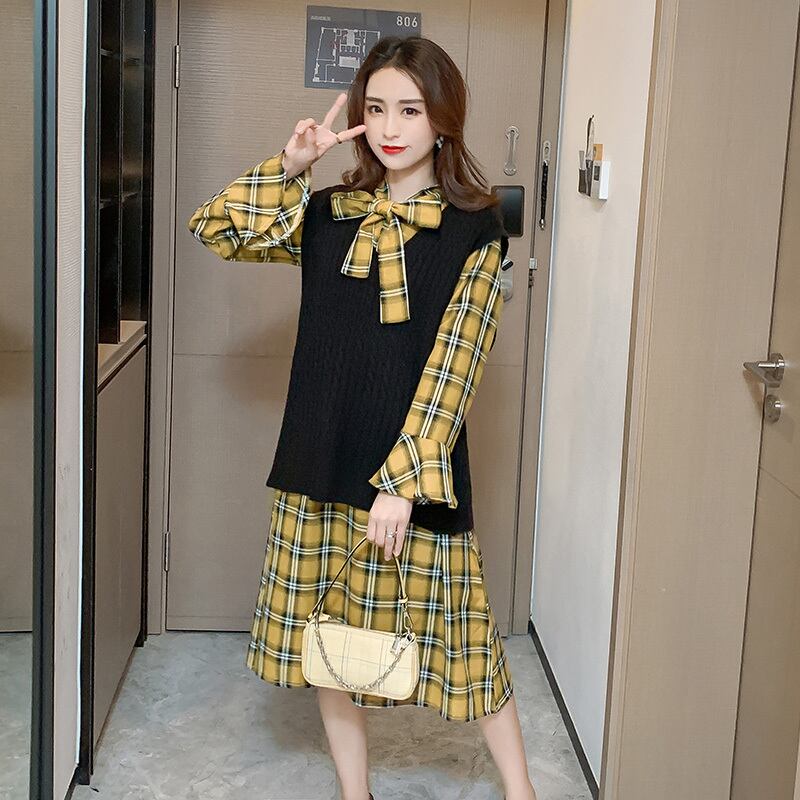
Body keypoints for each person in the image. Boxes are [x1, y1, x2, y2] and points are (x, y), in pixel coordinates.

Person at [187, 35, 538, 800]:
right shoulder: (329, 213)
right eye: (375, 108)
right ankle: (357, 793)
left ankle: (522, 792)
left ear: (443, 118)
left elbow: (457, 364)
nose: (389, 127)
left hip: (412, 475)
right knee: (331, 647)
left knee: (467, 646)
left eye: (410, 110)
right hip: (318, 459)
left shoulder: (474, 229)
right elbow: (217, 229)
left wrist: (402, 482)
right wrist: (291, 166)